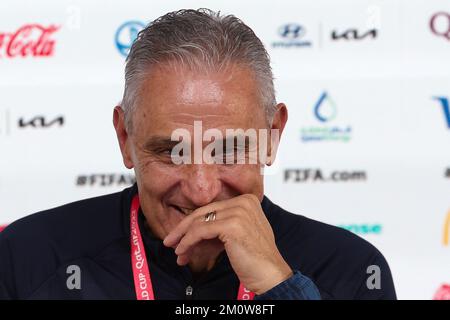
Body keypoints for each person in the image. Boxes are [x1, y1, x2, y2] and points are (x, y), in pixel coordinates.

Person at [0, 9, 396, 300]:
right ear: (125, 137)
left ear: (273, 136)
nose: (202, 191)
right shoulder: (27, 257)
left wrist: (282, 287)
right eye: (172, 153)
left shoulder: (353, 271)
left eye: (229, 150)